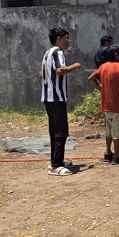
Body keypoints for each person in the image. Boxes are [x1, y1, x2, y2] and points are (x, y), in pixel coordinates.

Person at [41, 27, 81, 176]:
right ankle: (56, 165)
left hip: (49, 97)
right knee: (60, 132)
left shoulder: (48, 53)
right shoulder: (58, 52)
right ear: (58, 38)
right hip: (56, 97)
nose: (68, 41)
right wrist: (74, 66)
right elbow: (59, 70)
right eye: (66, 37)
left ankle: (56, 160)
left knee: (55, 131)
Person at [87, 45, 119, 164]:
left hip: (106, 105)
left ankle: (108, 153)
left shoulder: (103, 66)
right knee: (117, 132)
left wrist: (101, 89)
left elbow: (91, 78)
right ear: (116, 55)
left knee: (109, 131)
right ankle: (117, 155)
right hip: (118, 105)